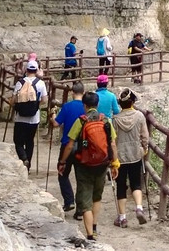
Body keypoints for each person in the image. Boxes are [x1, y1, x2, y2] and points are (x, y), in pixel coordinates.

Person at [58, 90, 119, 242]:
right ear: (97, 105)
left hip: (84, 165)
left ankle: (90, 234)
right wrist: (114, 164)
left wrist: (63, 162)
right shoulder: (105, 121)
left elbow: (70, 144)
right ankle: (95, 226)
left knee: (85, 201)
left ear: (85, 105)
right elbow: (112, 143)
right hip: (102, 164)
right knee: (97, 197)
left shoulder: (81, 121)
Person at [112, 87, 149, 227]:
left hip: (120, 157)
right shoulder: (139, 116)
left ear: (120, 104)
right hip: (135, 154)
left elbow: (113, 140)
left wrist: (112, 159)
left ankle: (122, 218)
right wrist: (144, 149)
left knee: (121, 186)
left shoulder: (115, 119)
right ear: (132, 102)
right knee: (136, 183)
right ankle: (139, 208)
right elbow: (145, 136)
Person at [51, 80, 85, 214]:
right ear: (83, 92)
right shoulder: (86, 107)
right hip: (83, 147)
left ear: (72, 93)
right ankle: (81, 210)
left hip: (67, 145)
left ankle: (69, 200)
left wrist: (52, 115)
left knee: (63, 174)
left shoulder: (67, 106)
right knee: (81, 178)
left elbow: (56, 124)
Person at [12, 59, 48, 171]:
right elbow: (45, 100)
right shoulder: (41, 83)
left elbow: (13, 100)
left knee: (18, 141)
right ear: (36, 70)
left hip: (20, 118)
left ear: (26, 70)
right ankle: (28, 165)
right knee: (29, 141)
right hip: (34, 118)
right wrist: (35, 105)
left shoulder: (20, 83)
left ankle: (23, 159)